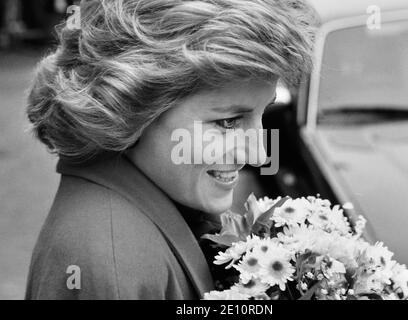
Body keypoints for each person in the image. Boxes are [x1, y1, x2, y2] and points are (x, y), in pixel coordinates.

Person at [25, 0, 316, 299]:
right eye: (228, 122)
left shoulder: (157, 197)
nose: (258, 155)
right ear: (129, 109)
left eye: (262, 113)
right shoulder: (113, 264)